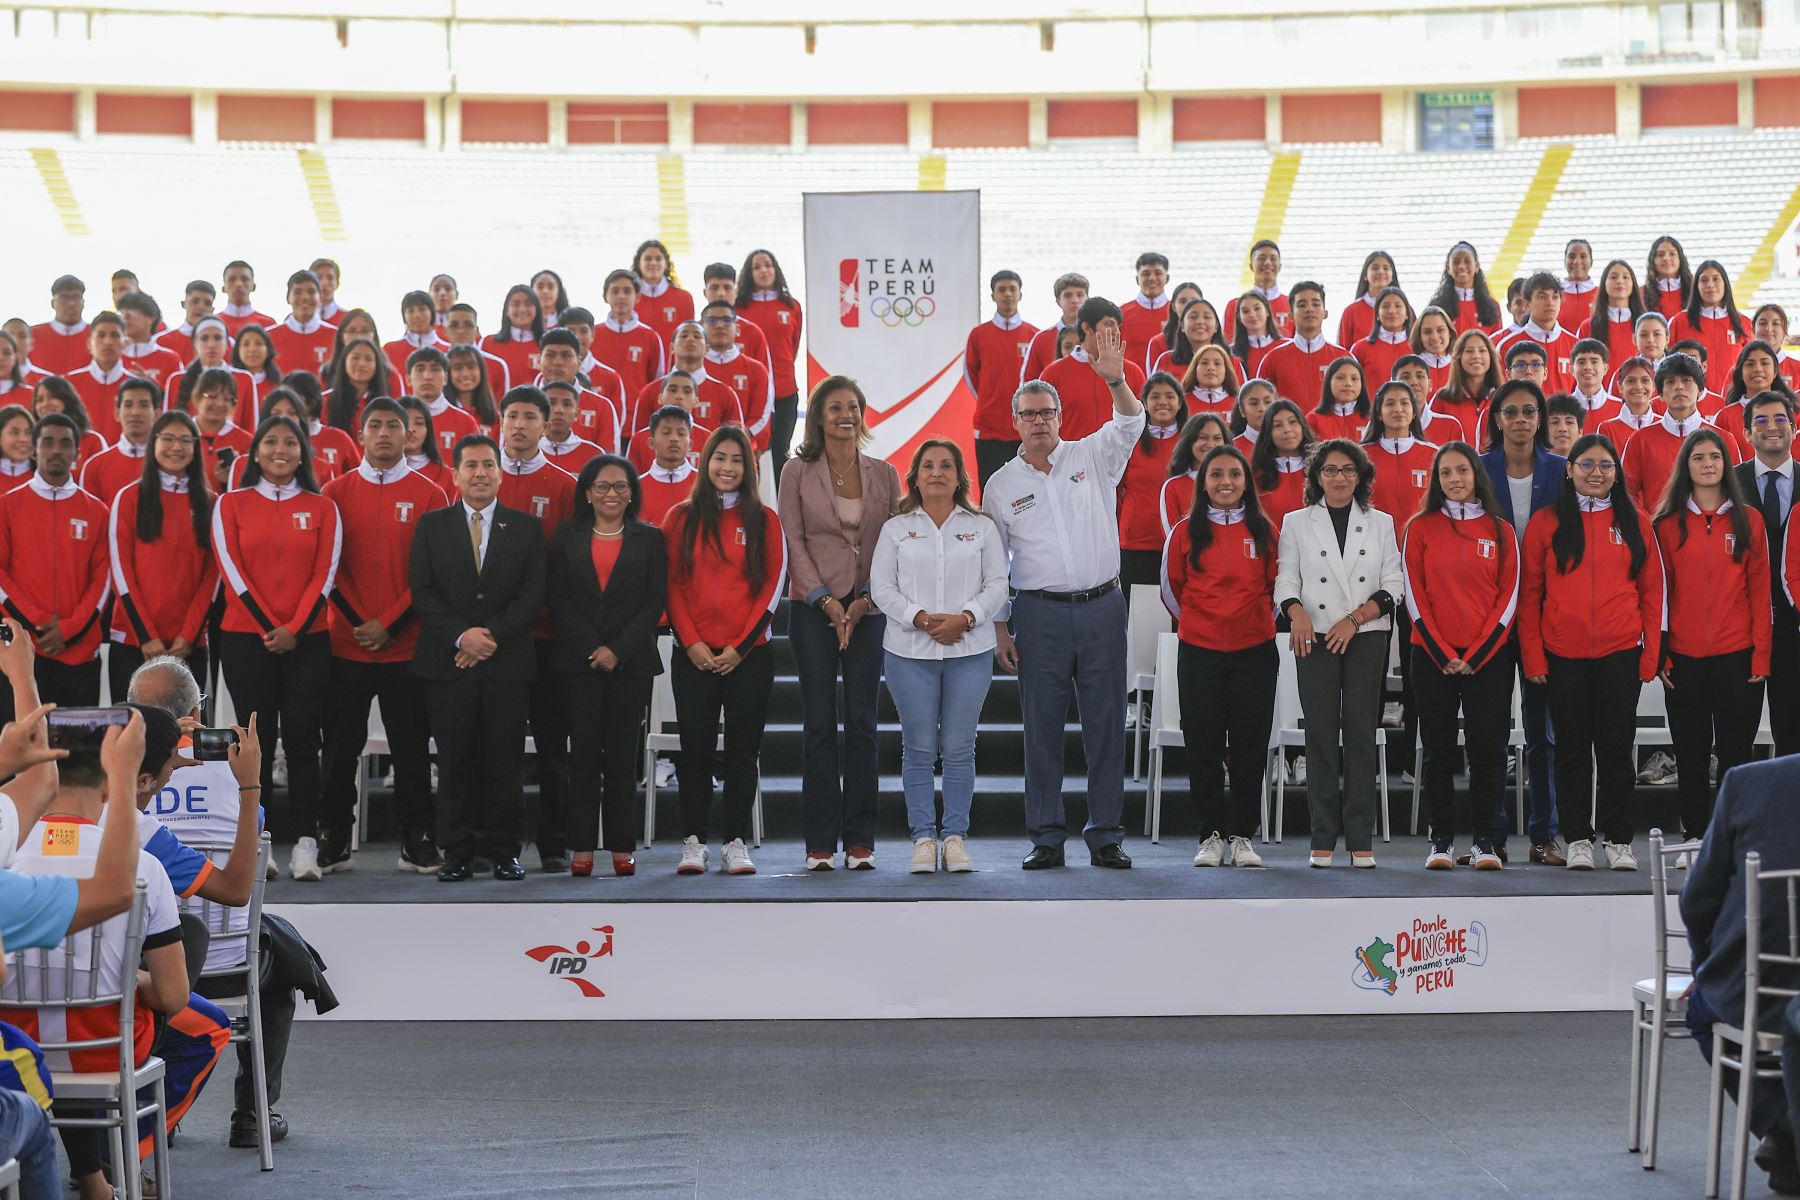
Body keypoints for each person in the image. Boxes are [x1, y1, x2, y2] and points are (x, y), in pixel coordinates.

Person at [983, 322, 1144, 870]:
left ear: (1058, 416)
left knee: (1105, 725)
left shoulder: (1092, 456)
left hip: (1102, 608)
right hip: (1039, 615)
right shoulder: (1000, 485)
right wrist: (1001, 628)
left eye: (1046, 412)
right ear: (1014, 422)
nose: (1038, 422)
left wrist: (1116, 380)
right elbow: (993, 565)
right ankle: (1047, 838)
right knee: (1042, 730)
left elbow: (1130, 421)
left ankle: (1105, 835)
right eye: (1028, 414)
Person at [1519, 432, 1663, 871]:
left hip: (1621, 652)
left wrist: (1650, 654)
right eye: (1586, 464)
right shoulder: (1547, 522)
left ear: (1616, 473)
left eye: (1605, 465)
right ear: (1569, 469)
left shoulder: (1635, 519)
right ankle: (1579, 837)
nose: (1596, 473)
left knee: (1617, 751)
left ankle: (1619, 839)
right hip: (1564, 655)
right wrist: (1534, 656)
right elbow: (1530, 595)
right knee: (1572, 751)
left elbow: (1653, 590)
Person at [317, 399, 448, 873]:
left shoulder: (432, 493)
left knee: (411, 749)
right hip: (345, 643)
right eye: (376, 425)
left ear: (411, 433)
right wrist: (359, 622)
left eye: (396, 425)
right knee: (338, 748)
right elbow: (324, 567)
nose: (386, 433)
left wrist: (389, 623)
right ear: (362, 433)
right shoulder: (334, 491)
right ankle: (333, 837)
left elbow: (432, 573)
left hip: (406, 645)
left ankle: (417, 838)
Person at [211, 415, 341, 880]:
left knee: (304, 740)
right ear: (255, 452)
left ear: (303, 453)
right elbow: (232, 570)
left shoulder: (323, 507)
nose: (280, 449)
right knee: (255, 741)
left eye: (290, 442)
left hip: (308, 640)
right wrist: (271, 626)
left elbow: (324, 575)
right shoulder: (231, 503)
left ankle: (306, 842)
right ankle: (258, 841)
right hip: (246, 638)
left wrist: (296, 629)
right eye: (270, 441)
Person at [410, 434, 545, 881]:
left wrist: (491, 639)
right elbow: (423, 593)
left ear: (501, 473)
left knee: (504, 763)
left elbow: (532, 593)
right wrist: (462, 637)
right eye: (471, 465)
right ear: (456, 474)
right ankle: (458, 852)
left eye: (489, 464)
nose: (480, 473)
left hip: (507, 664)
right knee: (454, 762)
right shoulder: (431, 525)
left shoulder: (526, 528)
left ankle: (505, 851)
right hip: (448, 665)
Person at [870, 439, 1007, 874]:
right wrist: (922, 618)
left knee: (959, 747)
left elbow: (998, 584)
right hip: (909, 651)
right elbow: (882, 588)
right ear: (914, 476)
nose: (937, 472)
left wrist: (966, 618)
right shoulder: (896, 528)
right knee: (919, 748)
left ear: (959, 476)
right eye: (928, 465)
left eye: (946, 465)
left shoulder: (981, 526)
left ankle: (955, 838)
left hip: (970, 649)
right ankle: (923, 839)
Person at [778, 378, 898, 870]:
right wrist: (825, 599)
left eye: (852, 407)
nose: (845, 414)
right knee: (820, 724)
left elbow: (893, 541)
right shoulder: (795, 471)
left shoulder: (885, 472)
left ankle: (860, 840)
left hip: (870, 608)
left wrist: (865, 598)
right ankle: (820, 843)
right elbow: (793, 540)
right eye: (834, 407)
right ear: (818, 416)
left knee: (865, 725)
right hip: (813, 609)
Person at [663, 425, 785, 876]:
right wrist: (690, 641)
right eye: (719, 458)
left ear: (749, 468)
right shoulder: (679, 517)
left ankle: (735, 842)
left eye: (737, 459)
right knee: (693, 750)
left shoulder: (765, 520)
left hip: (749, 656)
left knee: (741, 751)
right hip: (692, 654)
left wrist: (741, 646)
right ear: (705, 461)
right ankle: (692, 842)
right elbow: (671, 583)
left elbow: (772, 588)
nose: (727, 467)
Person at [1276, 439, 1404, 868]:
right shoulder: (1296, 522)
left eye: (1348, 470)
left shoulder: (1382, 522)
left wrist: (1355, 620)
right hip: (1312, 635)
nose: (1339, 478)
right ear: (1316, 476)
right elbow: (1285, 582)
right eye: (1330, 470)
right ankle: (1322, 837)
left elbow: (1393, 586)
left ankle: (1360, 837)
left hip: (1366, 635)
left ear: (1361, 476)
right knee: (1321, 737)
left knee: (1361, 736)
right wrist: (1296, 614)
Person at [1680, 756, 1800, 1195]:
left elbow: (1696, 901)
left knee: (1700, 1010)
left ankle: (1781, 1127)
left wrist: (1704, 968)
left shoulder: (1749, 782)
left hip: (1756, 987)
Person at [545, 455, 664, 878]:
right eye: (602, 486)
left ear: (632, 492)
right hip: (578, 664)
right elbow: (556, 599)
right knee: (581, 760)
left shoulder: (650, 539)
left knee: (620, 758)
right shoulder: (565, 536)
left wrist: (618, 649)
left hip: (629, 664)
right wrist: (591, 647)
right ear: (587, 492)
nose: (611, 494)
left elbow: (653, 603)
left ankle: (620, 846)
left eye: (620, 486)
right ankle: (580, 846)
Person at [1402, 442, 1519, 871]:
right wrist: (1444, 652)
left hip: (1488, 661)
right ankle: (1441, 841)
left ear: (1476, 477)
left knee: (1488, 750)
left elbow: (1508, 598)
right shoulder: (1420, 528)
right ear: (1437, 480)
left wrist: (1478, 653)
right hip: (1432, 658)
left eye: (1462, 471)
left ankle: (1486, 841)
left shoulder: (1500, 530)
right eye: (1446, 472)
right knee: (1437, 751)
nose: (1454, 479)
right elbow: (1413, 596)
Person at [1161, 444, 1276, 868]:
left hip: (1255, 651)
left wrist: (1252, 623)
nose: (1225, 482)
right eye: (1216, 475)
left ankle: (1242, 835)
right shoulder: (1185, 531)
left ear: (1246, 482)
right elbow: (1172, 590)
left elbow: (1276, 589)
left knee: (1250, 743)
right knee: (1203, 744)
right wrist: (1202, 624)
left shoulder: (1264, 530)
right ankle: (1209, 834)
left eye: (1234, 474)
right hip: (1199, 651)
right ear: (1202, 482)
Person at [1653, 428, 1769, 845]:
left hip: (1737, 656)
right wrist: (1661, 654)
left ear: (1725, 464)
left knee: (1736, 755)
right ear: (1686, 466)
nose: (1707, 464)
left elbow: (1759, 592)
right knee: (1691, 753)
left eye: (1715, 457)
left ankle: (1732, 836)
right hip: (1683, 658)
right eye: (1698, 457)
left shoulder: (1748, 520)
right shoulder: (1665, 524)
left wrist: (1761, 656)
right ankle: (1694, 834)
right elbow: (1657, 595)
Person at [1476, 379, 1566, 864]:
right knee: (1489, 733)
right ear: (1497, 419)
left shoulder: (1560, 469)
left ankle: (1544, 835)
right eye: (1510, 412)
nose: (1520, 420)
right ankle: (1489, 835)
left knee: (1544, 735)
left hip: (1546, 617)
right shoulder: (1479, 469)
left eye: (1529, 411)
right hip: (1490, 614)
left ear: (1541, 419)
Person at [0, 415, 109, 720]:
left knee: (75, 757)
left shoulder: (97, 511)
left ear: (77, 453)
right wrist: (35, 624)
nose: (56, 450)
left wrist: (69, 630)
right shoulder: (7, 505)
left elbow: (102, 581)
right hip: (21, 651)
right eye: (48, 442)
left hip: (79, 653)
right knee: (20, 752)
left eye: (65, 443)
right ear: (34, 449)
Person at [105, 411, 215, 702]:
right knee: (132, 733)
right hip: (133, 640)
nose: (176, 447)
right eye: (167, 438)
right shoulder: (128, 498)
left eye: (184, 440)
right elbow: (121, 572)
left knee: (186, 738)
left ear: (196, 447)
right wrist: (146, 636)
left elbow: (211, 578)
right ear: (153, 443)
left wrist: (187, 637)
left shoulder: (209, 502)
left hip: (188, 644)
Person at [1744, 391, 1800, 758]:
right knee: (1737, 736)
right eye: (1760, 420)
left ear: (1795, 429)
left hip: (1795, 629)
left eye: (1780, 418)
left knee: (1792, 733)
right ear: (1747, 433)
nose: (1771, 427)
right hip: (1742, 631)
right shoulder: (1725, 481)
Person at [733, 249, 803, 483]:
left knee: (780, 452)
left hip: (784, 392)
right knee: (749, 451)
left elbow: (791, 348)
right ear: (748, 274)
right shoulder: (738, 309)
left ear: (776, 270)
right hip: (751, 393)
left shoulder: (791, 306)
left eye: (768, 265)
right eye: (757, 267)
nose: (764, 270)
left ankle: (781, 511)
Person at [1039, 297, 1148, 441]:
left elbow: (1144, 424)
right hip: (1068, 459)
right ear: (1087, 328)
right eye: (1109, 324)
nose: (1116, 331)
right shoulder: (1053, 373)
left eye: (1118, 326)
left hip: (1121, 461)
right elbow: (1041, 424)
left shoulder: (1132, 371)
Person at [965, 269, 1037, 487]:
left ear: (1020, 294)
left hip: (1026, 428)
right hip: (989, 430)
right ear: (993, 295)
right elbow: (971, 376)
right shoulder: (979, 335)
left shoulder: (1034, 335)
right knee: (991, 489)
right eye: (1001, 289)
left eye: (1012, 289)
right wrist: (991, 398)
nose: (1007, 294)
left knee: (1028, 491)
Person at [1116, 373, 1186, 591]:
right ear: (1144, 403)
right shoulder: (1129, 440)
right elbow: (1115, 490)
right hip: (1137, 542)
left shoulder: (1192, 441)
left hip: (1181, 544)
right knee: (1141, 617)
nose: (1162, 402)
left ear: (1180, 402)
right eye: (1155, 396)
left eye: (1169, 396)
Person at [1622, 352, 1714, 514]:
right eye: (1670, 382)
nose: (1679, 387)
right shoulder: (1640, 439)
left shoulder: (1721, 438)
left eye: (1687, 380)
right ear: (1661, 394)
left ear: (1700, 390)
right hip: (1656, 532)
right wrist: (1646, 525)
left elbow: (1735, 493)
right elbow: (1627, 492)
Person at [1671, 259, 1754, 395]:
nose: (1710, 285)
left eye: (1716, 279)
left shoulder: (1743, 323)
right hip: (1691, 401)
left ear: (1725, 284)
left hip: (1733, 399)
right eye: (1704, 280)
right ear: (1696, 286)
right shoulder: (1680, 321)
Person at [1259, 282, 1340, 412]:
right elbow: (1261, 405)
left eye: (1316, 304)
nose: (1309, 309)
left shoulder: (1343, 358)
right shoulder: (1272, 359)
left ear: (1325, 313)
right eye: (1302, 305)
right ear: (1290, 315)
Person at [76, 373, 157, 504]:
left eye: (144, 405)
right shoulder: (94, 466)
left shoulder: (168, 464)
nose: (135, 412)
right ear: (117, 413)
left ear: (157, 414)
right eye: (128, 405)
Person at [1157, 412, 1229, 535]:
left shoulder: (1235, 483)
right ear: (1189, 442)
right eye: (1203, 437)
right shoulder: (1173, 486)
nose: (1211, 444)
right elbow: (1173, 536)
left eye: (1217, 438)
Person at [1249, 398, 1314, 529]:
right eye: (1278, 425)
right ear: (1268, 433)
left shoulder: (1320, 470)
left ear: (1302, 426)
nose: (1287, 429)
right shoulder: (1255, 476)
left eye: (1293, 422)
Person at [1020, 272, 1088, 384]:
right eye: (1068, 295)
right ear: (1058, 301)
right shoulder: (1041, 339)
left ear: (1087, 298)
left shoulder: (1097, 337)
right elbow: (1028, 383)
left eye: (1080, 295)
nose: (1075, 300)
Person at [637, 405, 699, 526]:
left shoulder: (704, 483)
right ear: (651, 442)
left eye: (681, 433)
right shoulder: (635, 488)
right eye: (666, 433)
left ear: (690, 444)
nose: (674, 439)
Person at [1578, 259, 1644, 370]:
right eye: (1613, 277)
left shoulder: (1644, 326)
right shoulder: (1588, 326)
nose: (1619, 281)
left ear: (1633, 284)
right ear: (1604, 283)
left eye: (1625, 277)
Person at [266, 270, 336, 374]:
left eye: (311, 292)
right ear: (288, 298)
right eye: (297, 292)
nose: (305, 297)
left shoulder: (336, 336)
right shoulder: (269, 337)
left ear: (320, 297)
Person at [1428, 241, 1504, 338]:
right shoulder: (1436, 306)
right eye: (1456, 262)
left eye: (1467, 261)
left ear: (1476, 266)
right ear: (1448, 268)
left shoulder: (1493, 307)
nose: (1461, 266)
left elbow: (1496, 345)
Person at [632, 240, 694, 349]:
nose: (653, 263)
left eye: (658, 259)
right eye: (648, 259)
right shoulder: (629, 300)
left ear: (666, 264)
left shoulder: (684, 299)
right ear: (638, 263)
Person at [1349, 285, 1416, 386]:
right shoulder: (1360, 348)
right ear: (1377, 315)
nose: (1392, 311)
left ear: (1407, 314)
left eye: (1398, 306)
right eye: (1385, 306)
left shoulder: (1417, 347)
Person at [1223, 239, 1290, 340]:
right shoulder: (1235, 306)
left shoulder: (1292, 305)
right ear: (1251, 266)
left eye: (1273, 258)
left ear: (1279, 266)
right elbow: (1228, 345)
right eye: (1261, 258)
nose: (1267, 263)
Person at [29, 274, 90, 376]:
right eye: (64, 297)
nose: (71, 303)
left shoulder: (98, 335)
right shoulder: (32, 335)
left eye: (76, 297)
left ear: (83, 302)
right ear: (52, 303)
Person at [1119, 251, 1171, 368]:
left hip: (1168, 383)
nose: (1152, 278)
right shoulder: (1120, 314)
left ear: (1167, 278)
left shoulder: (1178, 312)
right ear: (1137, 279)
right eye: (1146, 274)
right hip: (1129, 383)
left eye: (1158, 273)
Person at [1338, 250, 1400, 346]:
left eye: (1386, 268)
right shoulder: (1351, 312)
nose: (1380, 272)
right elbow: (1343, 351)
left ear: (1392, 276)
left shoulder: (1405, 311)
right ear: (1365, 276)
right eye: (1375, 268)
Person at [1308, 355, 1370, 442]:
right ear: (1329, 382)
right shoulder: (1313, 419)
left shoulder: (1372, 419)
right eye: (1340, 378)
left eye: (1354, 379)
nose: (1348, 383)